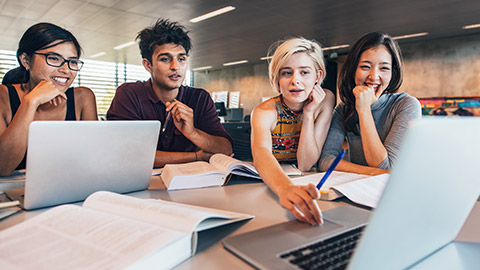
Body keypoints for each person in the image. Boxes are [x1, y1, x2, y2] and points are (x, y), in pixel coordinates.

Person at [107, 19, 233, 168]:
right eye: (165, 59)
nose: (175, 67)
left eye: (181, 59)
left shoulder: (200, 97)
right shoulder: (129, 94)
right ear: (148, 65)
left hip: (190, 183)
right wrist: (196, 157)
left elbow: (226, 149)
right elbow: (127, 154)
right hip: (143, 183)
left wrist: (192, 133)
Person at [251, 37, 335, 225]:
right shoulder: (264, 111)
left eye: (304, 72)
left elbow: (305, 163)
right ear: (277, 78)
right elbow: (261, 153)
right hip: (271, 185)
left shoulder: (325, 100)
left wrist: (308, 113)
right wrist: (285, 188)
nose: (295, 81)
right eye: (286, 73)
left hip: (307, 182)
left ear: (317, 77)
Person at [0, 22, 97, 177]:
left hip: (69, 189)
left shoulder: (83, 97)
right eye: (54, 58)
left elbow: (94, 159)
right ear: (26, 60)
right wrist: (31, 102)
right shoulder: (3, 96)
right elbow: (3, 167)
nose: (65, 70)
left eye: (72, 61)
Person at [319, 32, 421, 175]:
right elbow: (325, 160)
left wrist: (364, 109)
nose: (374, 76)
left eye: (384, 68)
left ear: (393, 73)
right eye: (365, 66)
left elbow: (384, 165)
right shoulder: (343, 109)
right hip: (357, 188)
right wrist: (370, 172)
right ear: (353, 70)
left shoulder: (406, 105)